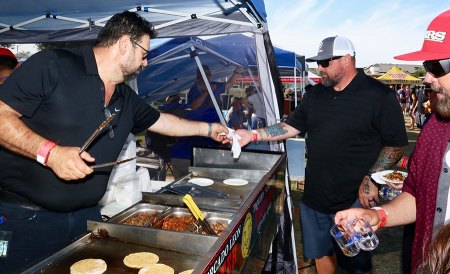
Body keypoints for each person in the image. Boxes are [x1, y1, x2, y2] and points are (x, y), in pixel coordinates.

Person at [0, 11, 228, 272]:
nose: (146, 63)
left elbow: (163, 121)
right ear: (123, 44)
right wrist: (50, 153)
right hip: (26, 220)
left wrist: (210, 129)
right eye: (144, 54)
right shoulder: (54, 64)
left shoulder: (124, 97)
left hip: (86, 218)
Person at [232, 36, 408, 274]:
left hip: (354, 200)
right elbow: (289, 127)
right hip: (315, 197)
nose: (319, 68)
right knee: (321, 254)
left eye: (325, 62)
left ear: (346, 60)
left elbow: (395, 144)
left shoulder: (379, 96)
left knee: (356, 264)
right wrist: (252, 135)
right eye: (318, 63)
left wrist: (371, 179)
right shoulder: (315, 94)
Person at [334, 9, 450, 273]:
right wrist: (378, 216)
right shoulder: (434, 128)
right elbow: (418, 197)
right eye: (425, 67)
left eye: (435, 66)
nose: (427, 78)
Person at [169, 65, 239, 179]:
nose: (206, 76)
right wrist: (208, 92)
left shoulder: (215, 85)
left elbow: (229, 84)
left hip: (205, 149)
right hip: (190, 154)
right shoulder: (195, 90)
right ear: (198, 75)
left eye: (208, 74)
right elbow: (193, 106)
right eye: (203, 74)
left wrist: (237, 71)